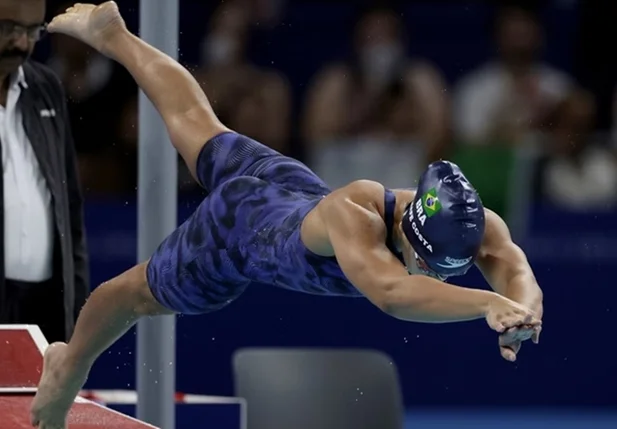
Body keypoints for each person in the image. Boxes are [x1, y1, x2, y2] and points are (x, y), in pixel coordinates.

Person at [30, 3, 543, 428]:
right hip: (240, 234)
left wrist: (521, 312)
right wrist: (484, 303)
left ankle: (114, 36)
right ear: (409, 230)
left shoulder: (473, 221)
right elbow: (393, 294)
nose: (434, 277)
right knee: (132, 296)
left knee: (196, 121)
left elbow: (517, 272)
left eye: (448, 272)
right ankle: (67, 368)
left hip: (287, 189)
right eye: (430, 265)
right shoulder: (357, 215)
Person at [0, 0, 89, 344]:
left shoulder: (45, 88)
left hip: (45, 306)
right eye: (8, 28)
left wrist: (77, 320)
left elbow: (69, 211)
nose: (21, 43)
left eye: (31, 31)